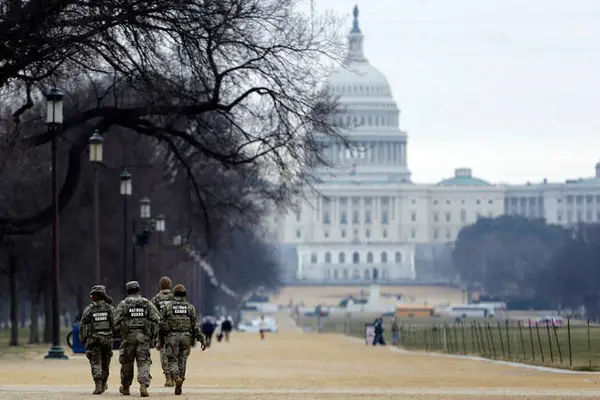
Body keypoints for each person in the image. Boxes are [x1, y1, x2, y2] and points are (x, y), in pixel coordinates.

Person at [114, 281, 161, 397]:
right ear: (138, 290)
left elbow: (115, 321)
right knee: (143, 361)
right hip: (143, 338)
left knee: (126, 363)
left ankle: (126, 387)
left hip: (128, 338)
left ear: (128, 291)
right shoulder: (146, 303)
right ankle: (143, 385)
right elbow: (158, 319)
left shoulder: (124, 304)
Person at [158, 284, 206, 395]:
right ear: (185, 294)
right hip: (186, 337)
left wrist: (162, 338)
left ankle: (176, 377)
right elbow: (195, 326)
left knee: (172, 360)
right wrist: (201, 339)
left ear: (174, 294)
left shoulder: (168, 307)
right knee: (183, 360)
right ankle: (180, 381)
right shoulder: (190, 308)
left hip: (172, 337)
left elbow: (161, 323)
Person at [79, 285, 114, 394]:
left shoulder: (90, 309)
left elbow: (83, 324)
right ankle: (103, 383)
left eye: (92, 294)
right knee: (106, 363)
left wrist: (83, 339)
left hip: (94, 340)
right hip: (107, 340)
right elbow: (115, 323)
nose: (91, 297)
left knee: (95, 362)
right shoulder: (110, 309)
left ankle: (98, 385)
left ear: (96, 296)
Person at [150, 276, 174, 387]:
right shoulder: (175, 298)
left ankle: (168, 378)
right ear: (170, 285)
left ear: (160, 286)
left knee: (164, 354)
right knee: (174, 353)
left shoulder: (156, 299)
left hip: (161, 330)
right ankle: (174, 376)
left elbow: (151, 313)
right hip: (174, 329)